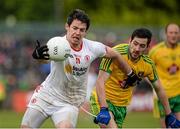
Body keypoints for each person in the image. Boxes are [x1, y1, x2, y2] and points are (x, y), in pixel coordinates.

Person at [20, 9, 138, 128]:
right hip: (46, 95)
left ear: (86, 32)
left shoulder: (92, 47)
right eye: (75, 28)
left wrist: (130, 73)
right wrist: (38, 57)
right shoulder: (57, 44)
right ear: (67, 26)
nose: (77, 32)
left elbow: (115, 54)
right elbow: (45, 59)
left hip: (70, 101)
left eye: (82, 30)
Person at [90, 28, 179, 128]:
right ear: (130, 41)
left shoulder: (148, 64)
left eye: (142, 46)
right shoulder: (115, 53)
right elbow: (100, 81)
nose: (137, 49)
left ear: (147, 47)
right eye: (135, 43)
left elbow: (159, 88)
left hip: (121, 106)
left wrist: (169, 114)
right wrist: (103, 108)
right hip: (102, 99)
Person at [149, 23, 180, 128]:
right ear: (166, 34)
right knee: (166, 127)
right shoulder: (156, 51)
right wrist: (154, 86)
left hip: (179, 94)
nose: (174, 35)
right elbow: (145, 70)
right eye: (171, 32)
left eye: (176, 33)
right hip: (162, 95)